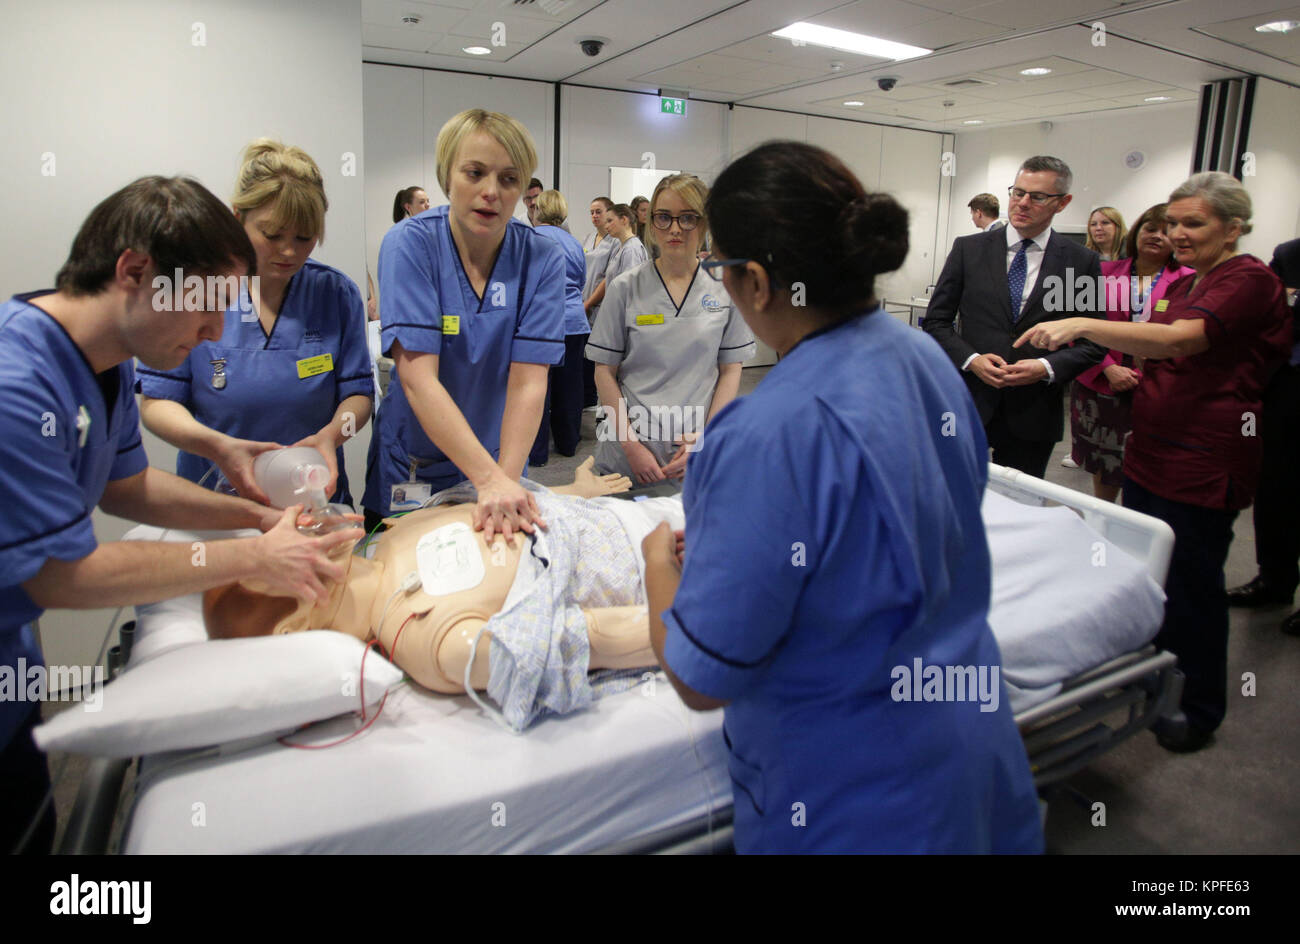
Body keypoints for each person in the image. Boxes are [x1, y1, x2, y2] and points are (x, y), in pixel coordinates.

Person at [637, 141, 1042, 853]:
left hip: (852, 801)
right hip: (971, 756)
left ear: (756, 282)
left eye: (719, 267)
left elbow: (703, 681)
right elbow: (914, 514)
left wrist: (658, 570)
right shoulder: (925, 359)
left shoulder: (763, 433)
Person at [0, 176, 360, 853]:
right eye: (207, 308)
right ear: (135, 272)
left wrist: (252, 516)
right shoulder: (17, 387)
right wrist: (255, 557)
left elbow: (130, 488)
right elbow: (63, 576)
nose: (218, 332)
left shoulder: (101, 365)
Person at [1015, 171, 1292, 752]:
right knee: (1145, 573)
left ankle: (1198, 708)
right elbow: (1151, 335)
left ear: (1233, 227)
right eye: (1172, 222)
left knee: (1191, 584)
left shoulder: (1246, 279)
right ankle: (1148, 680)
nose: (1178, 233)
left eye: (1194, 223)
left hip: (1202, 456)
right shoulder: (1193, 282)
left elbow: (1179, 341)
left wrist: (1082, 322)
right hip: (1153, 446)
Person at [205, 459, 638, 705]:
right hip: (668, 557)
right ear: (293, 629)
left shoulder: (387, 538)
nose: (285, 530)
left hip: (632, 513)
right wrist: (700, 618)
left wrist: (576, 491)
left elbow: (505, 505)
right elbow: (590, 638)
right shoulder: (436, 641)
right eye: (268, 558)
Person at [362, 109, 566, 544]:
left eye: (509, 179)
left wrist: (502, 481)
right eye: (474, 173)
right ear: (447, 177)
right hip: (417, 463)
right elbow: (418, 380)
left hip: (502, 458)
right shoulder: (411, 244)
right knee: (402, 582)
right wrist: (489, 482)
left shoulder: (542, 258)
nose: (491, 191)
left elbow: (530, 382)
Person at [138, 140, 373, 506]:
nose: (289, 251)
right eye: (272, 234)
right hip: (215, 497)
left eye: (304, 237)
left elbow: (357, 394)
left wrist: (332, 435)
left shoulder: (335, 293)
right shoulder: (195, 290)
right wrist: (219, 447)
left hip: (310, 494)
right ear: (237, 218)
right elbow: (156, 402)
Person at [923, 156, 1107, 479]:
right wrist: (972, 359)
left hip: (1033, 411)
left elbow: (1092, 343)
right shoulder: (969, 250)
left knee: (1020, 506)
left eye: (1037, 197)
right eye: (1017, 192)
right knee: (949, 497)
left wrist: (1045, 368)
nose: (1022, 203)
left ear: (1063, 203)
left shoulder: (1079, 262)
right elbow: (937, 321)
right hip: (968, 401)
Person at [586, 174, 755, 483]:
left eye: (688, 218)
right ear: (651, 223)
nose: (675, 228)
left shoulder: (725, 289)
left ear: (704, 224)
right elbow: (603, 371)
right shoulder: (626, 287)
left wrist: (707, 437)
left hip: (693, 450)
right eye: (664, 217)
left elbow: (731, 370)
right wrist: (631, 445)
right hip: (628, 452)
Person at [1067, 204, 1193, 501]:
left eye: (1167, 231)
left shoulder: (1189, 280)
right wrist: (1108, 367)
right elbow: (1077, 326)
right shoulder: (1102, 271)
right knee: (1104, 466)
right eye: (1151, 229)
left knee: (1150, 471)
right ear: (1137, 231)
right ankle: (1104, 527)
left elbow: (1190, 338)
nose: (1157, 236)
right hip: (1100, 384)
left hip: (1159, 390)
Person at [1226, 236, 1300, 635]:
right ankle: (1274, 579)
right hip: (1285, 387)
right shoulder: (1290, 255)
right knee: (1275, 487)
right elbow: (1264, 317)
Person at [530, 190, 590, 458]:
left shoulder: (531, 239)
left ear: (538, 210)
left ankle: (537, 451)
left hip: (541, 322)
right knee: (570, 386)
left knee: (537, 386)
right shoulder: (574, 243)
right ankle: (568, 444)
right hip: (575, 322)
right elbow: (581, 281)